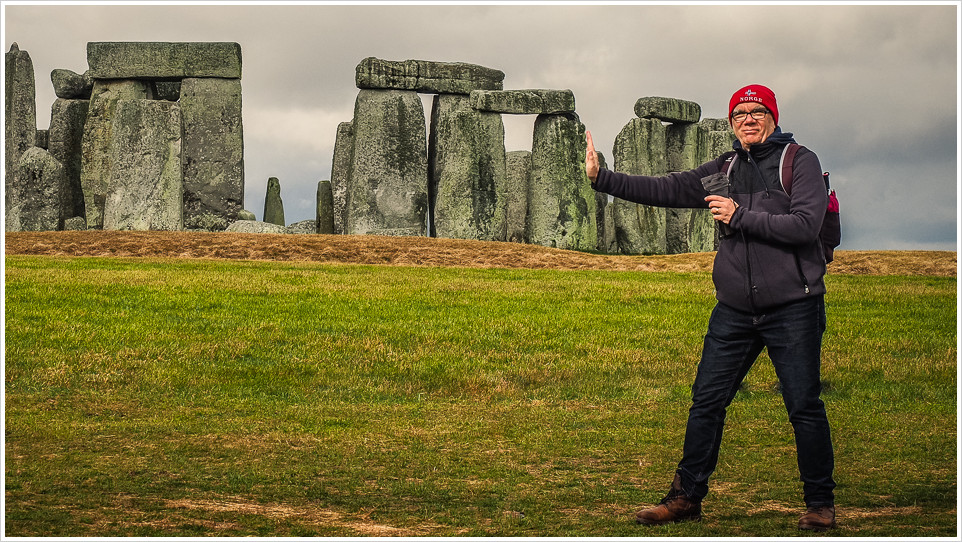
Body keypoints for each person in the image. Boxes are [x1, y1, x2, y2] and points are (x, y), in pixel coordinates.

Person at [585, 84, 837, 531]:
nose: (748, 119)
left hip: (793, 306)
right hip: (736, 310)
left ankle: (819, 503)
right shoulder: (725, 166)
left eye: (757, 111)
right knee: (706, 403)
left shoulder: (800, 162)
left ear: (773, 116)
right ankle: (684, 498)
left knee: (803, 406)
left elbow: (804, 226)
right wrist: (603, 179)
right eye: (739, 113)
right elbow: (667, 189)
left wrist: (739, 215)